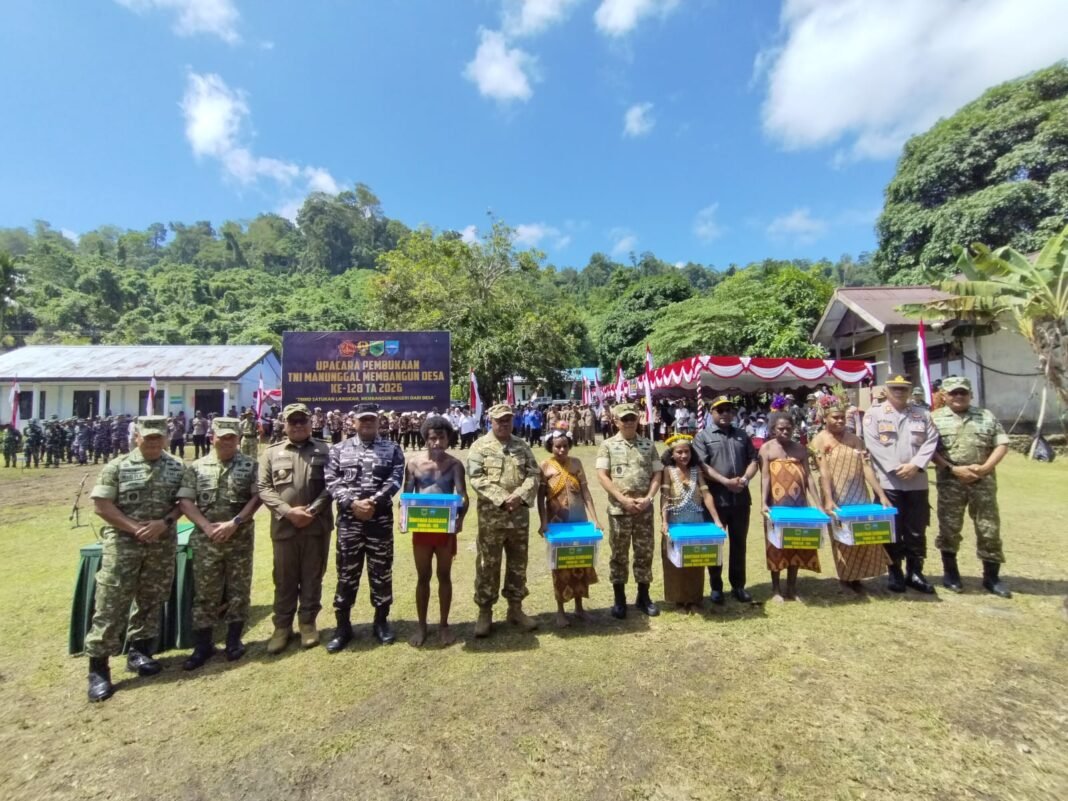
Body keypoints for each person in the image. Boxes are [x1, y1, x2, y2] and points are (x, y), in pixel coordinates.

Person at [83, 416, 186, 702]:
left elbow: (182, 504)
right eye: (148, 436)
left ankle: (139, 652)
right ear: (137, 437)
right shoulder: (116, 466)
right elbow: (101, 505)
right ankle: (99, 668)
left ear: (166, 438)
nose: (153, 441)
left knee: (152, 598)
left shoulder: (177, 467)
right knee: (111, 602)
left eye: (158, 437)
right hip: (123, 544)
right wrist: (134, 528)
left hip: (161, 543)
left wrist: (164, 522)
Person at [177, 417, 261, 669]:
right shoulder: (196, 467)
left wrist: (234, 523)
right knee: (205, 592)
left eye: (231, 437)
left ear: (238, 439)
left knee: (238, 590)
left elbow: (257, 498)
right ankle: (203, 645)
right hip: (206, 540)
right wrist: (205, 526)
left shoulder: (250, 466)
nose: (226, 442)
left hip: (239, 538)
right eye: (221, 437)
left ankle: (234, 640)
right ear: (212, 437)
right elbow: (185, 501)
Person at [323, 403, 406, 651]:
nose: (368, 423)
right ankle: (343, 626)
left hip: (379, 520)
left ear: (379, 421)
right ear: (354, 422)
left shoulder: (392, 449)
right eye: (363, 420)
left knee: (381, 572)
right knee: (347, 573)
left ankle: (381, 621)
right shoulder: (338, 449)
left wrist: (373, 501)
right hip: (349, 522)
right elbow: (331, 480)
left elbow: (395, 478)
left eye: (372, 419)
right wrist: (353, 503)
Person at [257, 403, 334, 654]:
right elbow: (264, 488)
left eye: (303, 421)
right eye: (293, 422)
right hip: (285, 527)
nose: (298, 425)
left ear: (311, 423)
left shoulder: (325, 449)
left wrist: (311, 511)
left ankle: (308, 623)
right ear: (285, 424)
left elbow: (333, 484)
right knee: (284, 577)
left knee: (312, 575)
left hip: (316, 525)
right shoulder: (270, 453)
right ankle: (282, 627)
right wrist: (288, 512)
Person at [930, 376, 1011, 597]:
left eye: (963, 392)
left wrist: (985, 468)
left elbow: (1001, 444)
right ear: (944, 396)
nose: (958, 396)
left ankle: (991, 577)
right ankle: (951, 573)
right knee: (949, 528)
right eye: (953, 393)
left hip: (983, 482)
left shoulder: (986, 416)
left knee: (989, 528)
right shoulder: (934, 419)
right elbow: (930, 451)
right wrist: (953, 469)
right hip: (951, 481)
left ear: (970, 395)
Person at [467, 403, 540, 637]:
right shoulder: (480, 447)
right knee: (488, 564)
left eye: (508, 419)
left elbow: (534, 473)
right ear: (491, 421)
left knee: (518, 563)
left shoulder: (522, 446)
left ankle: (515, 609)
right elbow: (476, 478)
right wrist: (502, 498)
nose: (504, 423)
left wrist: (518, 496)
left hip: (518, 517)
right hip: (492, 519)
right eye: (499, 420)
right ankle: (485, 612)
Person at [862, 375, 939, 594]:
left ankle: (915, 572)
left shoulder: (922, 414)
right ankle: (894, 571)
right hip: (889, 482)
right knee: (890, 529)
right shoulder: (874, 414)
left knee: (916, 529)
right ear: (886, 390)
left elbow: (931, 441)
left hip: (917, 481)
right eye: (894, 388)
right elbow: (873, 444)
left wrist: (915, 465)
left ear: (910, 390)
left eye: (904, 388)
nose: (899, 392)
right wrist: (896, 466)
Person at [811, 397, 892, 593]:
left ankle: (859, 577)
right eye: (835, 418)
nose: (840, 421)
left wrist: (880, 494)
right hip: (836, 495)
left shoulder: (856, 440)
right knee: (842, 538)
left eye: (842, 418)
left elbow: (866, 468)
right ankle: (846, 578)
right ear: (825, 418)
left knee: (862, 534)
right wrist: (829, 499)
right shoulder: (819, 440)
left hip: (859, 495)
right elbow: (824, 472)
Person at [405, 415, 469, 646]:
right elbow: (407, 497)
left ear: (448, 438)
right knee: (423, 577)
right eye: (432, 438)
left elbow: (462, 495)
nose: (437, 443)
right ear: (425, 439)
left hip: (445, 527)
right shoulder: (413, 464)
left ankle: (443, 625)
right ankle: (421, 626)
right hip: (422, 528)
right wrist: (404, 519)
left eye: (441, 438)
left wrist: (460, 517)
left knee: (444, 576)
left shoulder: (454, 465)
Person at [596, 402, 663, 619]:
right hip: (619, 510)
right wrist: (623, 500)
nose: (629, 422)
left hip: (644, 509)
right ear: (615, 421)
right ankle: (619, 599)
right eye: (624, 419)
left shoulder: (648, 445)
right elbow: (602, 475)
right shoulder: (607, 445)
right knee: (619, 555)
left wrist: (649, 498)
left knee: (644, 553)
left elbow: (657, 475)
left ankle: (643, 597)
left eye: (632, 418)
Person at [691, 396, 758, 605]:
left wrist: (745, 479)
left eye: (729, 410)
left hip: (740, 499)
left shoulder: (742, 435)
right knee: (715, 543)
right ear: (712, 413)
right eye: (721, 410)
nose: (726, 414)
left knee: (739, 544)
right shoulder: (703, 437)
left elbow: (754, 460)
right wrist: (725, 481)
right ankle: (716, 587)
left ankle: (738, 586)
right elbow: (702, 466)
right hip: (715, 500)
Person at [537, 426, 601, 628]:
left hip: (579, 520)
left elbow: (586, 492)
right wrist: (543, 522)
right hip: (558, 524)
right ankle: (560, 611)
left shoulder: (577, 464)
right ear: (551, 446)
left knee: (580, 561)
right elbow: (540, 498)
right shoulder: (545, 466)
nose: (562, 450)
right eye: (558, 447)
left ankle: (580, 608)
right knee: (560, 566)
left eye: (565, 446)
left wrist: (595, 519)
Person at [759, 413, 823, 602]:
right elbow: (765, 477)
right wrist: (763, 502)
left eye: (788, 428)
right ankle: (776, 589)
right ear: (773, 430)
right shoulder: (766, 449)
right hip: (775, 505)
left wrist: (818, 504)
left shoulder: (800, 449)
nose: (785, 431)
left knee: (796, 542)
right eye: (781, 428)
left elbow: (809, 477)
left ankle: (792, 588)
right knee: (776, 545)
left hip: (799, 505)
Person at [659, 433, 723, 612]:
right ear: (672, 454)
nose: (683, 456)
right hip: (675, 521)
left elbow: (706, 495)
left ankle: (695, 600)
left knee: (695, 558)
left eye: (686, 451)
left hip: (696, 521)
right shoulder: (668, 471)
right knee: (675, 561)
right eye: (679, 452)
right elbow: (664, 498)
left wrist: (716, 519)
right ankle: (679, 600)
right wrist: (664, 521)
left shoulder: (696, 470)